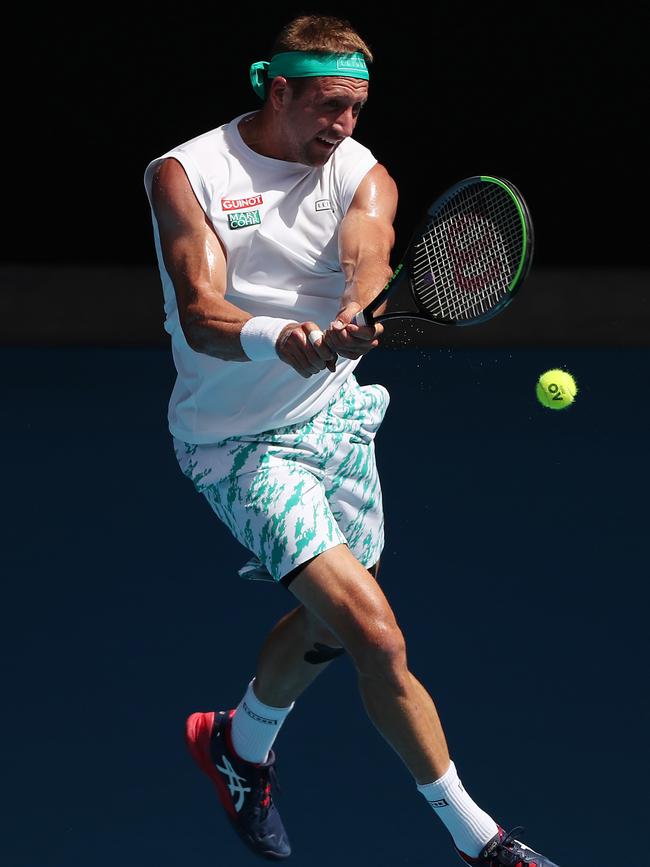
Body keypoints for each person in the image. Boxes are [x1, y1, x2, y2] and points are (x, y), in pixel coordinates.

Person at [144, 14, 560, 867]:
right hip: (238, 443)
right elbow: (201, 310)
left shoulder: (361, 172)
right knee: (375, 632)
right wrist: (280, 336)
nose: (343, 126)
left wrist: (349, 310)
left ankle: (240, 743)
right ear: (278, 87)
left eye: (358, 109)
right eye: (329, 106)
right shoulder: (187, 174)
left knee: (332, 624)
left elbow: (371, 254)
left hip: (335, 417)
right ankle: (483, 841)